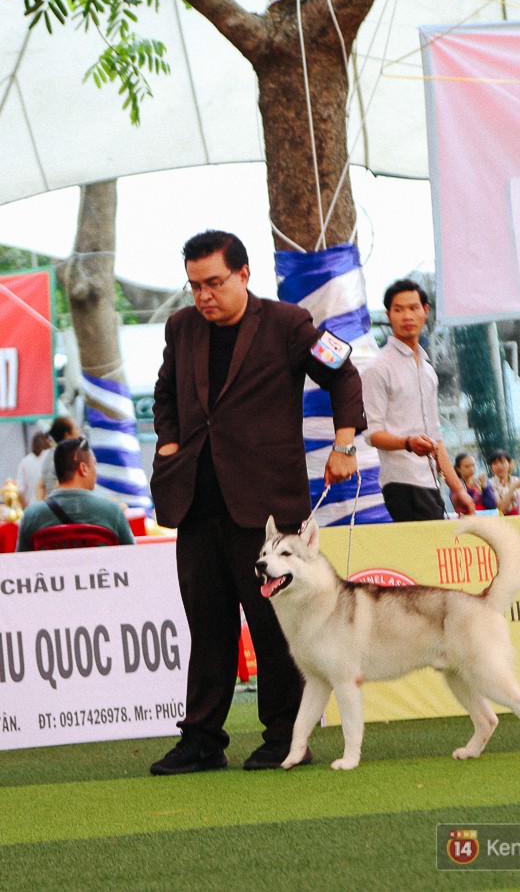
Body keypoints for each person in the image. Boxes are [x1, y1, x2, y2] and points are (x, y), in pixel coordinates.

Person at [149, 229, 366, 775]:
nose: (203, 296)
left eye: (214, 283)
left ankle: (285, 738)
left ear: (244, 274)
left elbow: (343, 374)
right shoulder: (180, 328)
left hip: (268, 504)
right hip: (197, 499)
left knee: (274, 627)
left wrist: (344, 444)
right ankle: (201, 740)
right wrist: (169, 442)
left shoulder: (290, 324)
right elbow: (164, 391)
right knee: (208, 623)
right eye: (195, 285)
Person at [361, 279, 474, 521]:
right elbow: (372, 434)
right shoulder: (378, 368)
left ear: (425, 311)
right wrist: (408, 443)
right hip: (401, 481)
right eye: (398, 309)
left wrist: (457, 489)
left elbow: (436, 437)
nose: (406, 316)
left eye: (413, 308)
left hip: (431, 482)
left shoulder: (427, 370)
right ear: (388, 315)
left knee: (435, 553)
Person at [17, 437, 135, 550]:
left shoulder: (31, 517)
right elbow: (132, 559)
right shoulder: (112, 512)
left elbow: (21, 564)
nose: (96, 471)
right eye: (94, 464)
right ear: (83, 468)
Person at [37, 415, 81, 500]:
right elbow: (61, 484)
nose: (80, 432)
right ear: (67, 435)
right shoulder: (66, 456)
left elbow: (40, 485)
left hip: (53, 506)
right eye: (76, 428)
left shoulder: (49, 455)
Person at [487, 449, 520, 515]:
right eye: (495, 463)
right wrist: (513, 488)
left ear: (509, 463)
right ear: (491, 467)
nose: (499, 466)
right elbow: (500, 510)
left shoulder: (517, 480)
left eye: (502, 462)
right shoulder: (489, 484)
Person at [16, 431, 50, 508]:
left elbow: (19, 491)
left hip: (32, 508)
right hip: (50, 508)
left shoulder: (24, 461)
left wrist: (26, 510)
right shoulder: (50, 458)